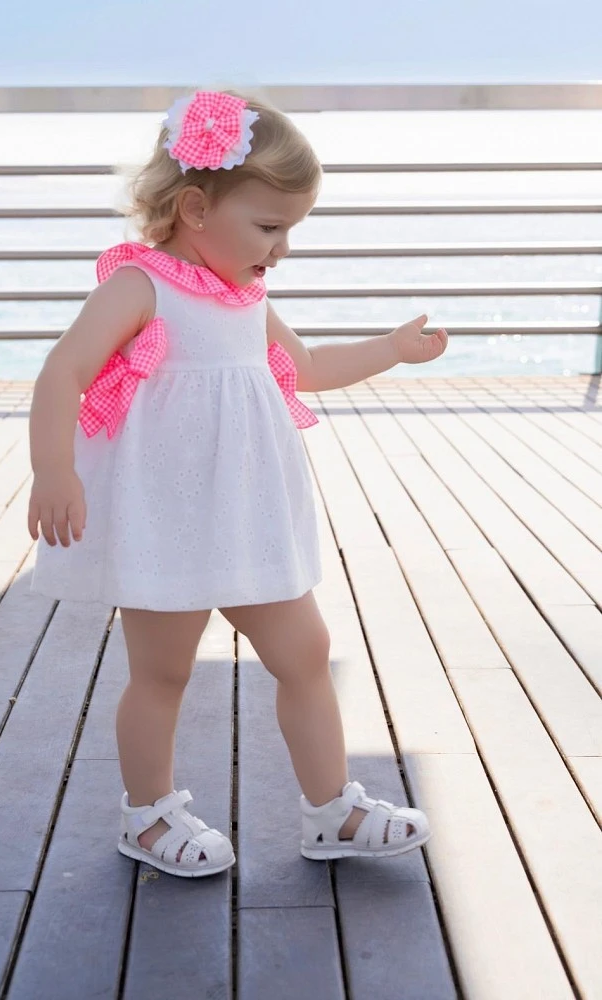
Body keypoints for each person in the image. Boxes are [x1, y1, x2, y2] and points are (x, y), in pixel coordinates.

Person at [28, 90, 449, 878]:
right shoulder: (140, 287)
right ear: (194, 207)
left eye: (290, 230)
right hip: (165, 516)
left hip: (245, 514)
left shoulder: (246, 298)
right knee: (163, 671)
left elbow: (312, 369)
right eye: (268, 226)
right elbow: (64, 372)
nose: (281, 248)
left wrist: (392, 348)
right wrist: (53, 470)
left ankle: (332, 809)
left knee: (306, 651)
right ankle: (148, 817)